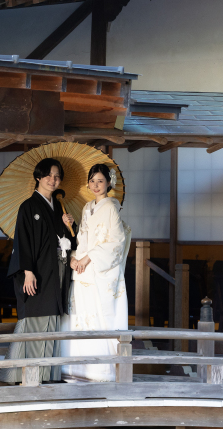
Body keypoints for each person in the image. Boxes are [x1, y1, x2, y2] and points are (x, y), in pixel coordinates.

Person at [0, 158, 76, 384]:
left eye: (57, 176)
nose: (53, 180)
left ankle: (47, 376)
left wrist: (70, 226)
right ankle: (23, 375)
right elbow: (22, 242)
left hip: (55, 275)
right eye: (49, 175)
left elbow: (68, 243)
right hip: (36, 274)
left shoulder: (58, 208)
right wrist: (28, 271)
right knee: (34, 321)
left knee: (51, 321)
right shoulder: (28, 206)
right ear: (38, 177)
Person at [61, 163, 131, 382]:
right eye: (92, 181)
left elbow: (116, 242)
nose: (95, 185)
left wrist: (87, 258)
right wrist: (74, 257)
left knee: (97, 318)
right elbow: (82, 238)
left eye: (100, 180)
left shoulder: (111, 207)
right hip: (83, 271)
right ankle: (75, 368)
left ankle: (99, 371)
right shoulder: (87, 207)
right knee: (80, 317)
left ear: (109, 183)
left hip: (99, 270)